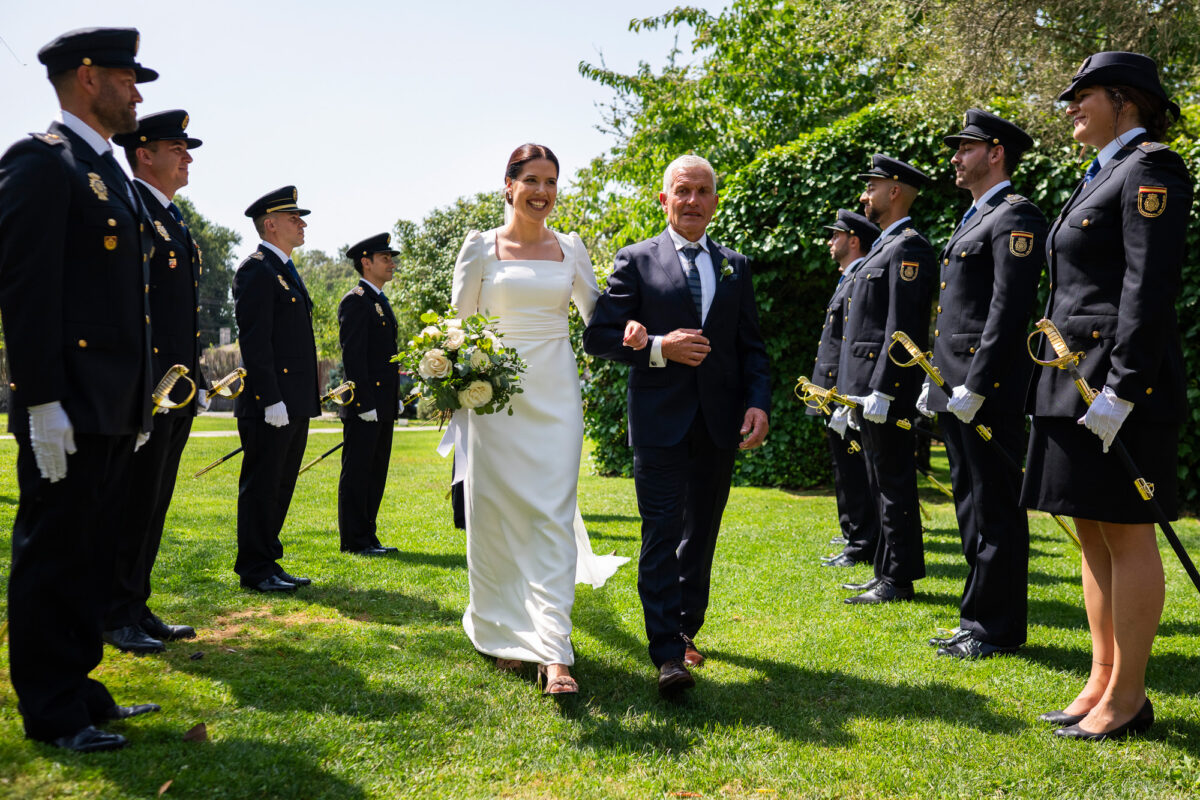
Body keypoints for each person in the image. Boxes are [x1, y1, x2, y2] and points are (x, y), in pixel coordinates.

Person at [0, 27, 162, 752]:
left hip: (109, 402)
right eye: (129, 78)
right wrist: (38, 401)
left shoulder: (110, 173)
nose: (136, 93)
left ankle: (81, 688)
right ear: (88, 77)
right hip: (65, 401)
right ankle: (51, 708)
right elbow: (27, 293)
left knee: (90, 550)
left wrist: (136, 401)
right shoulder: (40, 163)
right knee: (53, 551)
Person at [1022, 52, 1191, 741]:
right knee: (1091, 532)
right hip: (1074, 377)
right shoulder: (1104, 171)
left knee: (1124, 534)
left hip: (1117, 383)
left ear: (1126, 101)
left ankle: (1128, 696)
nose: (1069, 108)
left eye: (1081, 96)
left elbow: (1147, 289)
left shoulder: (1150, 167)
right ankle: (1100, 680)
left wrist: (1123, 386)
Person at [583, 154, 771, 697]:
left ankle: (687, 628)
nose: (692, 201)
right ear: (664, 200)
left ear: (715, 200)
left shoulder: (736, 265)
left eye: (703, 191)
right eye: (681, 191)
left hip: (719, 425)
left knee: (701, 535)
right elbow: (599, 337)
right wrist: (659, 347)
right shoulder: (636, 261)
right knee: (661, 533)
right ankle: (666, 653)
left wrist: (757, 402)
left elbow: (750, 348)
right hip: (660, 423)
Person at [450, 144, 627, 695]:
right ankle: (504, 635)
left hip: (556, 398)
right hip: (495, 401)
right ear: (508, 185)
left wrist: (647, 336)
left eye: (551, 181)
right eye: (531, 180)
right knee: (496, 518)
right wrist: (458, 386)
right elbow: (458, 330)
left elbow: (600, 320)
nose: (542, 192)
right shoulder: (479, 248)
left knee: (552, 516)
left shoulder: (571, 250)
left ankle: (554, 653)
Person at [918, 110, 1046, 658]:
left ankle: (996, 628)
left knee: (994, 505)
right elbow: (956, 310)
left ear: (996, 153)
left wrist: (977, 381)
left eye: (965, 147)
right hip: (956, 385)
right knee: (970, 502)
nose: (955, 156)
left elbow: (1007, 309)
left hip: (984, 388)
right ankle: (976, 620)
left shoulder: (1015, 215)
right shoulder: (975, 216)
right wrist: (939, 379)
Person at [101, 109, 208, 655]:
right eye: (178, 148)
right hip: (150, 390)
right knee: (131, 501)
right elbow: (136, 308)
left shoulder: (173, 217)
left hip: (176, 390)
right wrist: (143, 388)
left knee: (155, 500)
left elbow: (180, 311)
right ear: (144, 153)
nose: (187, 157)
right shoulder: (133, 208)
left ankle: (135, 602)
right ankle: (113, 612)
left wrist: (199, 377)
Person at [835, 155, 936, 605]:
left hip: (887, 389)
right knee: (879, 483)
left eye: (871, 186)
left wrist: (884, 387)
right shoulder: (883, 247)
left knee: (894, 486)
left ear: (894, 191)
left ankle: (898, 579)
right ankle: (885, 573)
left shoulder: (909, 247)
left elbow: (903, 325)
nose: (865, 196)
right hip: (867, 389)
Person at [232, 186, 320, 592]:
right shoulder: (256, 269)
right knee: (262, 485)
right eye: (293, 218)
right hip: (270, 403)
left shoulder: (284, 269)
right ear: (270, 224)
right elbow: (255, 341)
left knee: (282, 483)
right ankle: (254, 568)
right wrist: (270, 398)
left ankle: (268, 559)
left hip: (293, 401)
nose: (302, 224)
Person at [812, 209, 881, 569]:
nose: (830, 241)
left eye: (835, 235)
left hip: (844, 392)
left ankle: (861, 541)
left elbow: (853, 344)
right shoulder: (848, 279)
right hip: (834, 392)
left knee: (854, 469)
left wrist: (843, 396)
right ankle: (854, 532)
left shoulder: (857, 281)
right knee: (845, 467)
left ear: (854, 240)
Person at [337, 232, 402, 556]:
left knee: (376, 472)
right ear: (366, 262)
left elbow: (385, 357)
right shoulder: (356, 300)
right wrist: (362, 401)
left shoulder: (379, 301)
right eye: (385, 258)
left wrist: (394, 396)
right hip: (365, 404)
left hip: (382, 403)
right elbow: (354, 358)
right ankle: (353, 539)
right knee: (358, 472)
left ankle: (368, 535)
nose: (392, 263)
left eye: (392, 258)